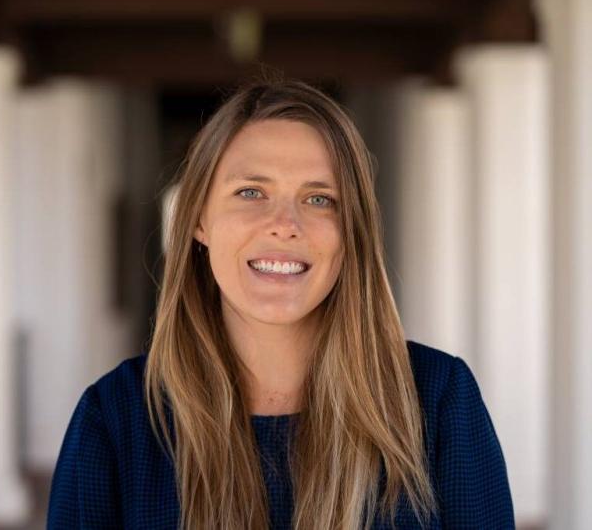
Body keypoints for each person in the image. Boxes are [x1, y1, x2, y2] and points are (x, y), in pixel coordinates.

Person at [46, 78, 515, 530]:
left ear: (351, 232)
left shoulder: (438, 402)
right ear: (199, 221)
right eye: (251, 192)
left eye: (318, 198)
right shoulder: (115, 418)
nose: (284, 224)